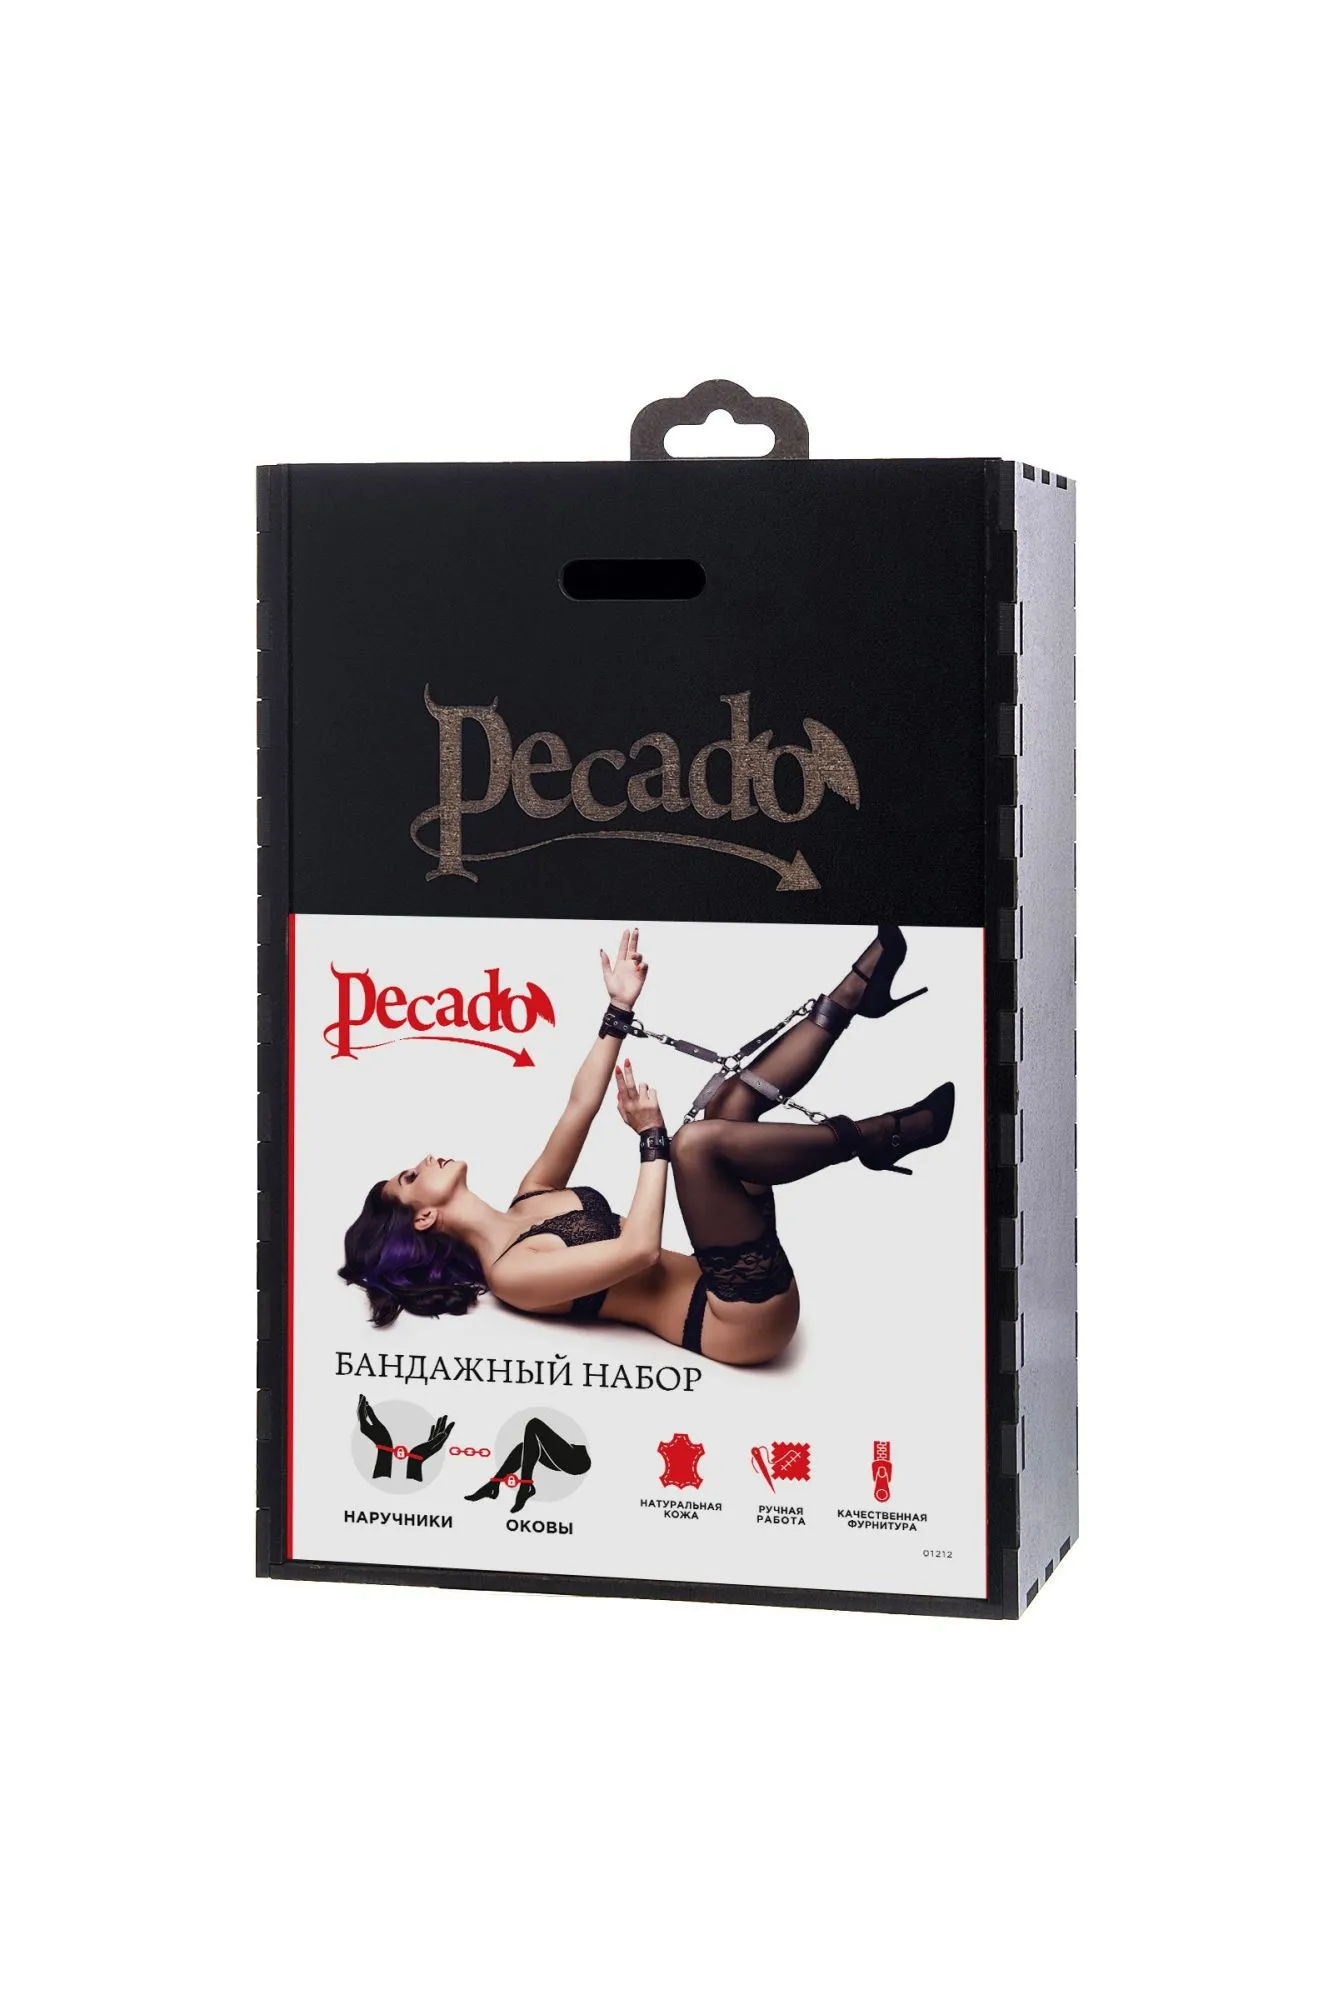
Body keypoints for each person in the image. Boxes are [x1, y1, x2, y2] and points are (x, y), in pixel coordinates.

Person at [339, 927, 954, 1366]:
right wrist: (652, 1140)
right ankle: (879, 1137)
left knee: (727, 1108)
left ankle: (852, 997)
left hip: (735, 1275)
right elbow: (638, 1250)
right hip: (737, 1322)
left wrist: (618, 1008)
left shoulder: (530, 1198)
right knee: (693, 1146)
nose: (421, 1161)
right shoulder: (511, 1275)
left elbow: (580, 1104)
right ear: (424, 1217)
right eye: (410, 1177)